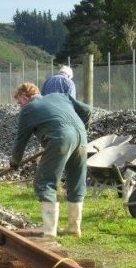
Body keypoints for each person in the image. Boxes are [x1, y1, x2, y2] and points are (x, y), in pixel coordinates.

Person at [11, 82, 90, 237]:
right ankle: (74, 227)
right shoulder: (60, 96)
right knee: (76, 181)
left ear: (25, 97)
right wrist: (82, 129)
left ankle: (49, 232)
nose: (20, 106)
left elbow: (21, 141)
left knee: (44, 182)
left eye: (19, 102)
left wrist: (15, 161)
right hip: (81, 138)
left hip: (61, 139)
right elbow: (87, 110)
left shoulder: (28, 110)